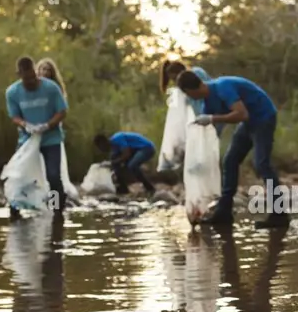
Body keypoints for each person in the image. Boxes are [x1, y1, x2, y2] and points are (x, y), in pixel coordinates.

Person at [177, 72, 287, 229]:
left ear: (191, 89)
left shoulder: (223, 87)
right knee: (230, 160)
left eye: (187, 93)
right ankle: (224, 212)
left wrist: (213, 119)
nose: (188, 97)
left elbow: (242, 113)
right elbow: (213, 134)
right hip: (248, 123)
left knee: (262, 164)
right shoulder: (207, 103)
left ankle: (279, 215)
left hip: (263, 117)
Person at [6, 56, 68, 214]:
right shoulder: (12, 92)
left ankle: (57, 212)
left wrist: (47, 125)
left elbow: (62, 111)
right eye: (27, 79)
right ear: (20, 75)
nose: (31, 81)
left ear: (35, 72)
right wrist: (25, 125)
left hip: (51, 138)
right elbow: (14, 116)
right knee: (18, 176)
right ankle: (15, 211)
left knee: (53, 176)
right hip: (27, 140)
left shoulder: (51, 88)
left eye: (33, 77)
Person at [161, 59, 223, 136]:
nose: (175, 82)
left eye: (175, 78)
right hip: (204, 118)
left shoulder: (196, 73)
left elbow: (204, 93)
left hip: (215, 112)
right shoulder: (182, 88)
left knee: (214, 138)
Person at [94, 131, 156, 196]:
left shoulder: (117, 138)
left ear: (104, 143)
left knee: (132, 165)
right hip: (135, 151)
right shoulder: (114, 149)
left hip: (146, 148)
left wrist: (112, 163)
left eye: (100, 147)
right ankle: (123, 188)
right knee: (115, 162)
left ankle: (149, 188)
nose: (102, 150)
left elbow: (127, 154)